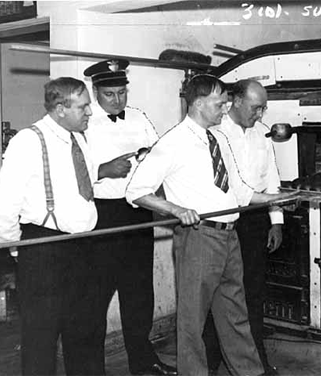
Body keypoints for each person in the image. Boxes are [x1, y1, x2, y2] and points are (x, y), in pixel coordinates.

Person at [126, 74, 295, 376]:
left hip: (229, 237)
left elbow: (242, 193)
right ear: (199, 103)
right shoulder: (172, 142)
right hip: (199, 237)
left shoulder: (219, 138)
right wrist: (175, 208)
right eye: (219, 104)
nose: (224, 108)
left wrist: (280, 198)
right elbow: (137, 191)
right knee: (193, 321)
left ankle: (251, 373)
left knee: (235, 315)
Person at [0, 77, 102, 375]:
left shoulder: (80, 138)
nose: (90, 112)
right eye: (84, 106)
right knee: (41, 340)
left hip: (84, 248)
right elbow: (0, 208)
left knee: (86, 334)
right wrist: (19, 249)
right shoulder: (28, 141)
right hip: (43, 250)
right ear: (60, 108)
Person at [83, 59, 177, 376]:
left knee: (139, 290)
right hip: (101, 213)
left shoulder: (137, 117)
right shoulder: (83, 122)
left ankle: (143, 360)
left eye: (122, 93)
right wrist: (104, 170)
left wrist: (151, 157)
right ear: (95, 91)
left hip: (137, 210)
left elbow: (159, 151)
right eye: (110, 94)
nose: (118, 100)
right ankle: (91, 366)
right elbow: (68, 172)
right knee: (96, 292)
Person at [203, 79, 283, 375]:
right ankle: (210, 361)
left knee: (253, 292)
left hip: (256, 220)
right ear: (236, 101)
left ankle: (255, 361)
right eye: (256, 107)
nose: (260, 114)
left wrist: (276, 221)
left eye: (263, 107)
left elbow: (272, 177)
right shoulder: (214, 132)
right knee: (217, 295)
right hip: (225, 219)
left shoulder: (263, 134)